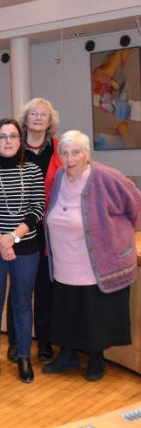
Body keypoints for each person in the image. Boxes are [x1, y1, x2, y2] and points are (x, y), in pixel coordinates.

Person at [43, 130, 141, 381]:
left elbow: (136, 206)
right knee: (68, 309)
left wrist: (123, 236)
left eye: (76, 152)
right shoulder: (60, 177)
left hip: (96, 261)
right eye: (64, 153)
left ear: (87, 154)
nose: (69, 158)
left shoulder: (107, 177)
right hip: (66, 260)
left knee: (94, 310)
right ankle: (68, 355)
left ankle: (96, 359)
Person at [0, 118, 44, 383]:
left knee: (21, 304)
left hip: (26, 247)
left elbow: (37, 209)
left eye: (13, 136)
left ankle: (23, 357)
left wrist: (12, 239)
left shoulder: (32, 170)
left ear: (20, 141)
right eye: (2, 136)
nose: (8, 141)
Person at [3, 98, 62, 363]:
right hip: (20, 230)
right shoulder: (14, 149)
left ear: (50, 121)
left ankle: (45, 342)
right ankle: (16, 343)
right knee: (19, 290)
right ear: (25, 120)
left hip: (52, 231)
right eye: (33, 114)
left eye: (44, 115)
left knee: (46, 290)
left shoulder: (61, 149)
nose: (38, 118)